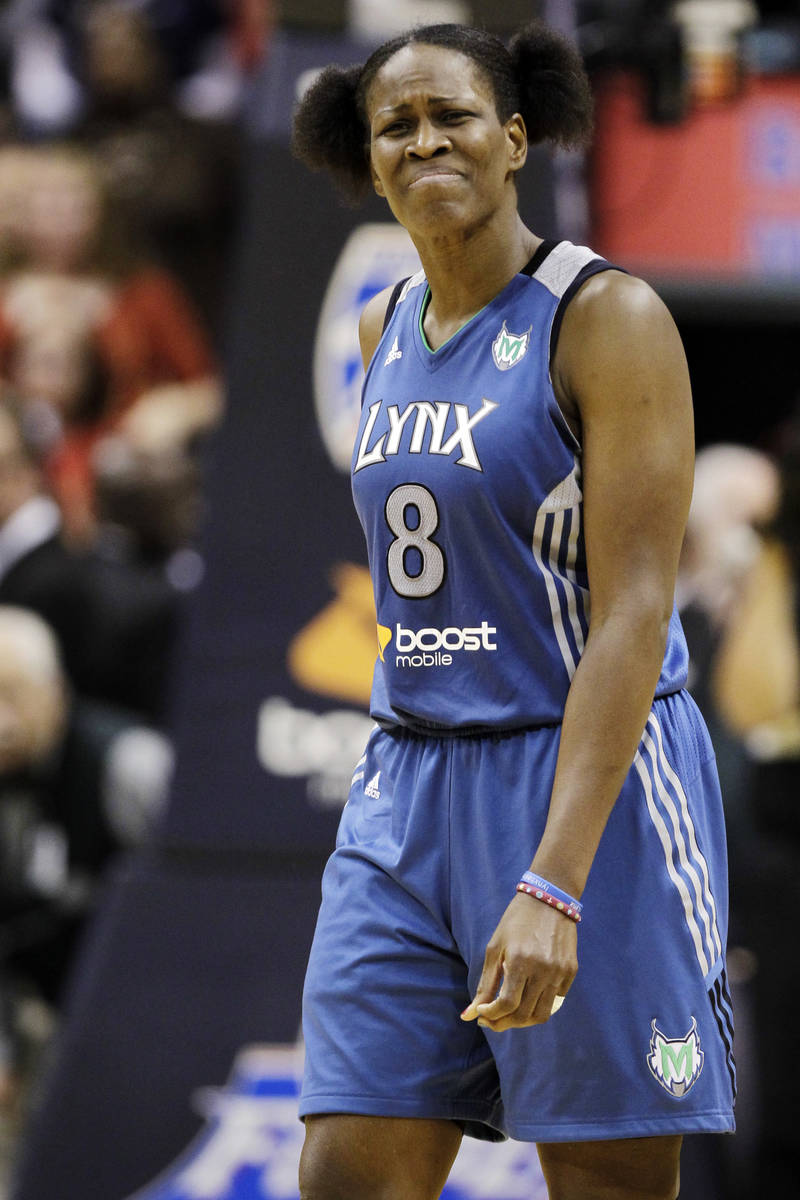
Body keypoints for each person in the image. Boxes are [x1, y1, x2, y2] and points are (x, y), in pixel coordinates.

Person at [291, 20, 735, 1200]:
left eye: (453, 116)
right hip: (407, 781)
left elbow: (634, 612)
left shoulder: (605, 316)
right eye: (397, 124)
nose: (424, 139)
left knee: (601, 1174)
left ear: (515, 138)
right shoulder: (374, 329)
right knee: (344, 1167)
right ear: (369, 157)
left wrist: (551, 882)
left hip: (583, 778)